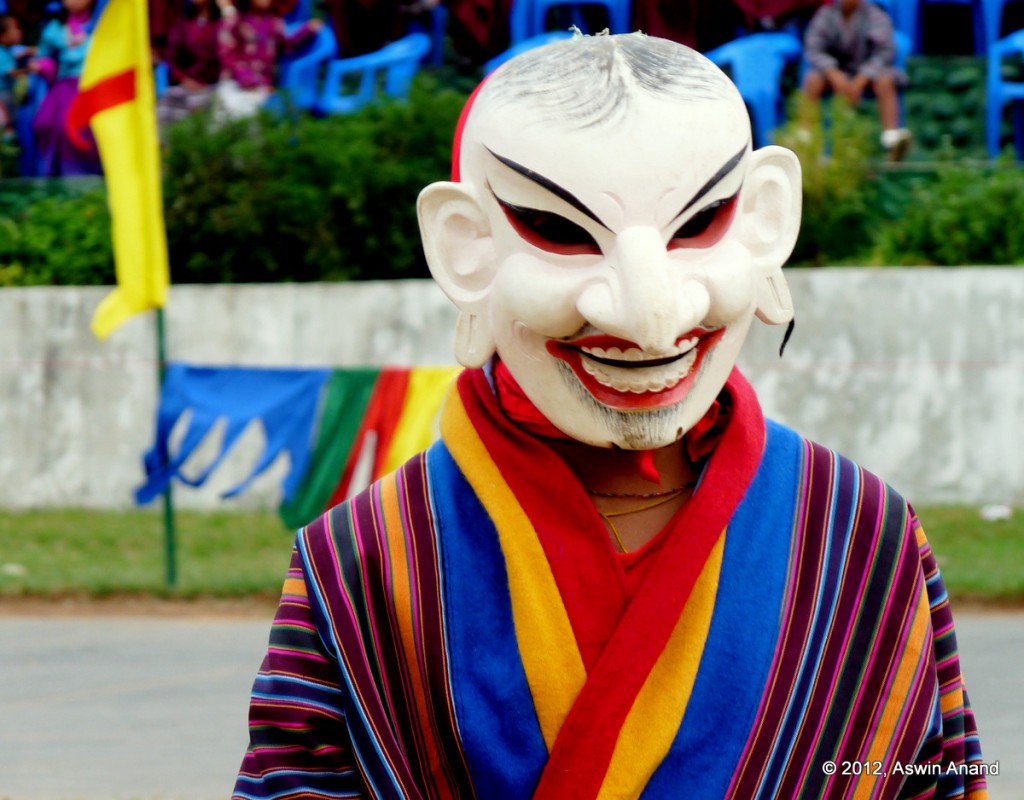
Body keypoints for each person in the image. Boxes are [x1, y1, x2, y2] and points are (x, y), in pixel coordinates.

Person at [234, 32, 987, 799]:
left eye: (700, 223)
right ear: (464, 248)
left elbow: (930, 775)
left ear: (766, 218)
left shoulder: (859, 535)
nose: (649, 318)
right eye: (560, 232)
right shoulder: (366, 561)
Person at [802, 0, 912, 160]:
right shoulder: (825, 15)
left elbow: (885, 52)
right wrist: (834, 74)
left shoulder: (876, 15)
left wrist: (861, 79)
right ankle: (806, 137)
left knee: (886, 81)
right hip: (835, 75)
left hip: (869, 75)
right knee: (813, 79)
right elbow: (813, 48)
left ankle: (891, 138)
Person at [27, 0, 100, 176]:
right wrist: (42, 66)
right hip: (65, 89)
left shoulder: (103, 25)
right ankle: (61, 175)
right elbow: (46, 58)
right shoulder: (54, 29)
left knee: (89, 130)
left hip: (94, 87)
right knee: (48, 124)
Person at [214, 0, 322, 119]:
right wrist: (244, 75)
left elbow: (288, 42)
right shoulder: (237, 20)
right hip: (234, 81)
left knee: (251, 114)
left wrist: (307, 29)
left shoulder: (274, 22)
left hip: (262, 84)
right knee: (227, 110)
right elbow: (226, 52)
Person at [156, 0, 222, 128]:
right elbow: (171, 58)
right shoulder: (183, 25)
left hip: (213, 85)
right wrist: (184, 79)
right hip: (185, 85)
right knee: (167, 105)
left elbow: (228, 55)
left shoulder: (220, 24)